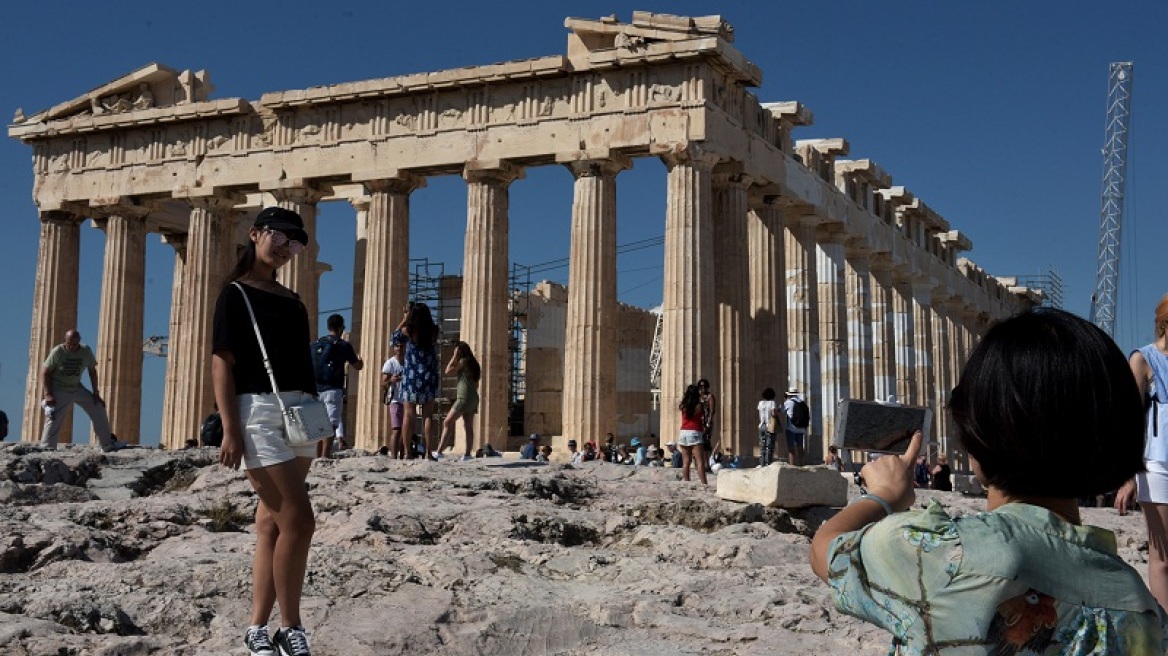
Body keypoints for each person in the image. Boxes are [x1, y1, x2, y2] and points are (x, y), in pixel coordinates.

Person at [811, 308, 1167, 654]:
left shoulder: (945, 554)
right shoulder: (1142, 608)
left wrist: (885, 495)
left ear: (979, 430)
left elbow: (826, 548)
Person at [211, 207, 320, 656]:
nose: (286, 248)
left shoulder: (293, 300)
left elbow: (302, 364)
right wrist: (230, 428)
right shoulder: (234, 294)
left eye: (296, 243)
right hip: (257, 413)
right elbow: (222, 360)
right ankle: (289, 627)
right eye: (280, 236)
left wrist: (320, 419)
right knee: (300, 519)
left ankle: (256, 627)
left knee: (271, 524)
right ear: (256, 234)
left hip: (302, 413)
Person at [1116, 292, 1168, 612]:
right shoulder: (1143, 359)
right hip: (1157, 465)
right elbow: (1128, 419)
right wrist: (1127, 475)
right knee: (1162, 557)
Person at [39, 329, 126, 452]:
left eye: (75, 344)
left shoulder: (85, 350)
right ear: (65, 341)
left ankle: (107, 444)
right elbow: (45, 372)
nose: (72, 347)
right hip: (59, 389)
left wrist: (96, 393)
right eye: (69, 343)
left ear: (79, 341)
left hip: (76, 387)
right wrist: (48, 394)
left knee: (98, 408)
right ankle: (46, 447)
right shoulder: (58, 351)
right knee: (54, 418)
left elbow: (92, 371)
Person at [312, 314, 363, 458]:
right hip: (334, 388)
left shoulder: (317, 343)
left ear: (328, 327)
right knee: (331, 423)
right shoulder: (343, 345)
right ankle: (325, 454)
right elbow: (357, 366)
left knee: (319, 423)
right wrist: (360, 360)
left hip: (316, 388)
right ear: (341, 327)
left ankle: (317, 455)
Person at [397, 303, 441, 461]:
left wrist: (404, 319)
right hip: (429, 376)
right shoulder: (434, 331)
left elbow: (394, 337)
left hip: (412, 377)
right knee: (428, 415)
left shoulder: (409, 330)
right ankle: (429, 452)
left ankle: (408, 452)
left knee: (409, 415)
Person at [433, 340, 481, 460]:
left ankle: (439, 451)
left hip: (463, 397)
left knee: (447, 422)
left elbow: (447, 370)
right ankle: (468, 454)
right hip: (473, 397)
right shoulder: (474, 363)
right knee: (468, 426)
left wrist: (454, 356)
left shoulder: (463, 362)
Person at [379, 332, 408, 459]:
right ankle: (393, 457)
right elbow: (382, 384)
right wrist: (391, 380)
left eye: (402, 346)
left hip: (408, 400)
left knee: (405, 431)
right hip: (395, 400)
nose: (399, 349)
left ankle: (402, 456)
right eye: (397, 346)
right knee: (396, 430)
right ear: (394, 347)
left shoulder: (409, 361)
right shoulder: (389, 363)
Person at [678, 384, 708, 485]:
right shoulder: (699, 405)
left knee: (686, 461)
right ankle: (704, 482)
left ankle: (686, 481)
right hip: (695, 431)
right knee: (700, 461)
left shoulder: (683, 406)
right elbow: (702, 416)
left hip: (683, 432)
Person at [782, 388, 808, 466]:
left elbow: (781, 410)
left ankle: (792, 464)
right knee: (800, 447)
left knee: (791, 448)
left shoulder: (788, 402)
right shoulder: (802, 402)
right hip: (801, 429)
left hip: (791, 428)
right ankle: (801, 463)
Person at [757, 387, 779, 467]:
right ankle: (768, 463)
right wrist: (777, 412)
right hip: (769, 425)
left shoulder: (760, 403)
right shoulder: (772, 403)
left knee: (762, 445)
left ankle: (762, 463)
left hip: (761, 425)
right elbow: (774, 413)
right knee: (769, 446)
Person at [698, 378, 717, 454]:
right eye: (701, 386)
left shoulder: (710, 396)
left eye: (704, 386)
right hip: (698, 421)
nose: (703, 388)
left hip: (706, 421)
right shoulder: (698, 396)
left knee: (706, 440)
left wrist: (708, 423)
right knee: (699, 441)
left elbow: (712, 411)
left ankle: (708, 460)